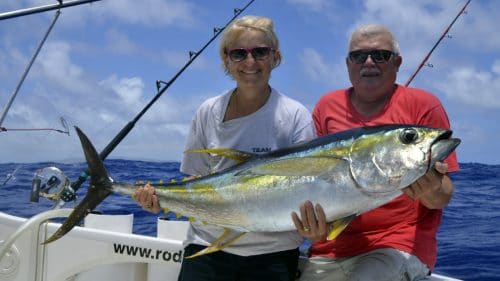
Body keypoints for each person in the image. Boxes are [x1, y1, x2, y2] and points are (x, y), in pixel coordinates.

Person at [134, 15, 316, 281]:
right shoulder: (208, 111)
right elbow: (195, 182)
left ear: (275, 57)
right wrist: (156, 201)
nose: (250, 62)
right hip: (207, 250)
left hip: (272, 256)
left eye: (260, 52)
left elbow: (307, 185)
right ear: (227, 60)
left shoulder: (295, 116)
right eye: (239, 53)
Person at [291, 23, 459, 281]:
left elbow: (443, 196)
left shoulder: (424, 105)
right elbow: (313, 181)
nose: (368, 62)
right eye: (359, 56)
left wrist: (431, 189)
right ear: (348, 64)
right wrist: (312, 230)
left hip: (396, 246)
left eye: (380, 55)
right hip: (330, 249)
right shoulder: (326, 106)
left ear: (397, 63)